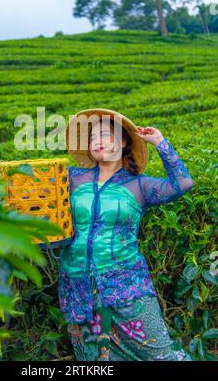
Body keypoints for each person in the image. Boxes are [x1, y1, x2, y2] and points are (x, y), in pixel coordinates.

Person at [58, 108, 194, 361]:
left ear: (122, 142)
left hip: (126, 285)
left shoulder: (139, 185)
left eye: (106, 135)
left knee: (159, 353)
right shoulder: (74, 178)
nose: (97, 140)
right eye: (92, 137)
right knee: (94, 359)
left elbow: (182, 184)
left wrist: (160, 143)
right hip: (78, 285)